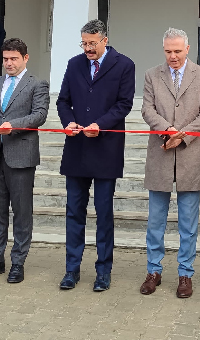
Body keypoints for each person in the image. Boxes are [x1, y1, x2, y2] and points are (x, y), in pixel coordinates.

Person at [56, 19, 135, 292]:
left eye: (92, 43)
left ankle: (103, 271)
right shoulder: (74, 63)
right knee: (74, 213)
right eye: (84, 43)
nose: (87, 48)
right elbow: (63, 101)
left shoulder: (124, 65)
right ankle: (71, 270)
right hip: (77, 148)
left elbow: (124, 104)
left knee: (104, 214)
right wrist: (68, 122)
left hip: (105, 149)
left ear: (104, 40)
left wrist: (100, 125)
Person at [139, 28, 200, 298]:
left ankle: (185, 274)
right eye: (168, 51)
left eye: (177, 51)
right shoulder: (151, 75)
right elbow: (147, 109)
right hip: (160, 152)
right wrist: (168, 130)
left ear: (188, 48)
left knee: (188, 223)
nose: (173, 56)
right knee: (155, 221)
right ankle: (153, 271)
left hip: (189, 155)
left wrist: (181, 137)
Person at [0, 38, 49, 284]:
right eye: (5, 59)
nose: (9, 63)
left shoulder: (37, 84)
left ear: (25, 58)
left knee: (21, 212)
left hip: (21, 156)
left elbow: (39, 115)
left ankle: (18, 262)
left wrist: (12, 126)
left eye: (14, 58)